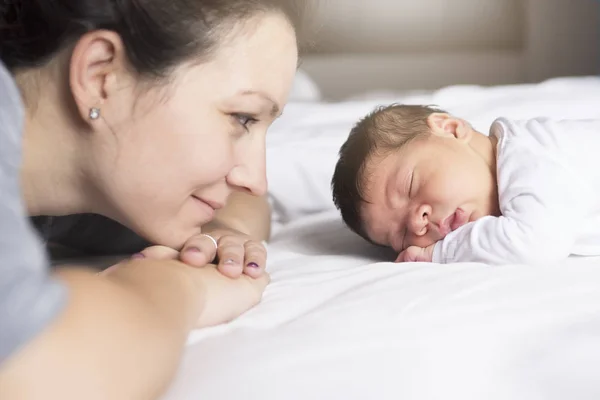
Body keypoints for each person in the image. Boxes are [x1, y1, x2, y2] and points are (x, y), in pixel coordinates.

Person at [0, 0, 303, 398]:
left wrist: (223, 239)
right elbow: (44, 371)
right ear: (102, 77)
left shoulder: (78, 186)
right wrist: (176, 285)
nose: (256, 180)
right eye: (242, 118)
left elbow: (248, 205)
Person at [331, 104, 600, 265]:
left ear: (449, 129)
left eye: (411, 185)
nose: (417, 223)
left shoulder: (527, 157)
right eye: (402, 235)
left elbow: (537, 243)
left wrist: (436, 253)